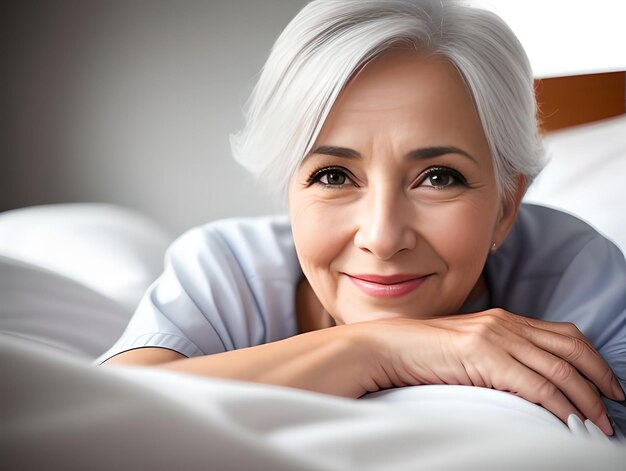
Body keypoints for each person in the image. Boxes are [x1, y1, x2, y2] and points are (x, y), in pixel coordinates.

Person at [99, 0, 626, 437]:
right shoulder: (227, 268)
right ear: (289, 188)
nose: (381, 237)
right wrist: (375, 349)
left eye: (439, 177)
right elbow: (101, 415)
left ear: (507, 207)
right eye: (333, 176)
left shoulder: (577, 275)